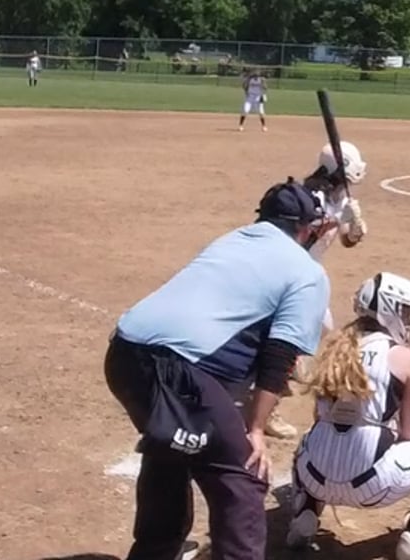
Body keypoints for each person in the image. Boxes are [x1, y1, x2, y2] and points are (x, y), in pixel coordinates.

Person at [104, 179, 332, 560]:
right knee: (244, 475)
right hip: (178, 372)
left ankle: (154, 551)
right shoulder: (307, 273)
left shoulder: (231, 239)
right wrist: (256, 429)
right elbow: (279, 356)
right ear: (306, 229)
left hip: (124, 357)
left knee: (171, 446)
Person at [284, 274, 410, 560]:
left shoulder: (334, 350)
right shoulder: (403, 357)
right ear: (389, 309)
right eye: (406, 312)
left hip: (315, 479)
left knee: (310, 440)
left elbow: (319, 416)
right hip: (373, 487)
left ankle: (304, 513)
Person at [257, 141, 371, 441]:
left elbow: (346, 240)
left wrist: (354, 229)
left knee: (319, 331)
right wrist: (337, 219)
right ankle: (268, 405)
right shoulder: (310, 197)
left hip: (308, 273)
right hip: (290, 273)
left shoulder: (340, 197)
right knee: (295, 339)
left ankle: (282, 376)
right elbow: (302, 239)